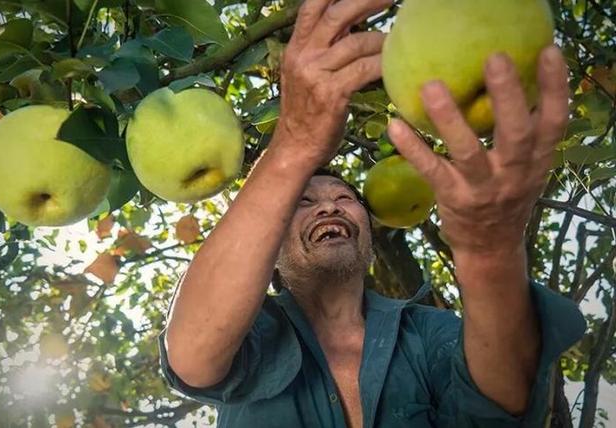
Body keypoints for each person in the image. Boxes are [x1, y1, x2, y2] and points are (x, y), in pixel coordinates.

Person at [157, 0, 586, 426]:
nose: (328, 205)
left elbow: (500, 407)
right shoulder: (252, 338)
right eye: (302, 203)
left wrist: (490, 253)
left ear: (368, 230)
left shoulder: (429, 332)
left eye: (345, 200)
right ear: (272, 244)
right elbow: (192, 352)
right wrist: (294, 145)